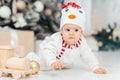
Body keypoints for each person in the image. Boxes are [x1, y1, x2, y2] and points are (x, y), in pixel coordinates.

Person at [38, 2, 107, 74]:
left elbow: (88, 55)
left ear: (81, 32)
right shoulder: (57, 40)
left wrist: (95, 67)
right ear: (62, 31)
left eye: (76, 30)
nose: (71, 33)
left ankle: (61, 64)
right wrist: (52, 61)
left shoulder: (81, 42)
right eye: (67, 30)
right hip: (46, 60)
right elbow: (48, 51)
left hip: (64, 63)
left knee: (71, 63)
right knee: (42, 65)